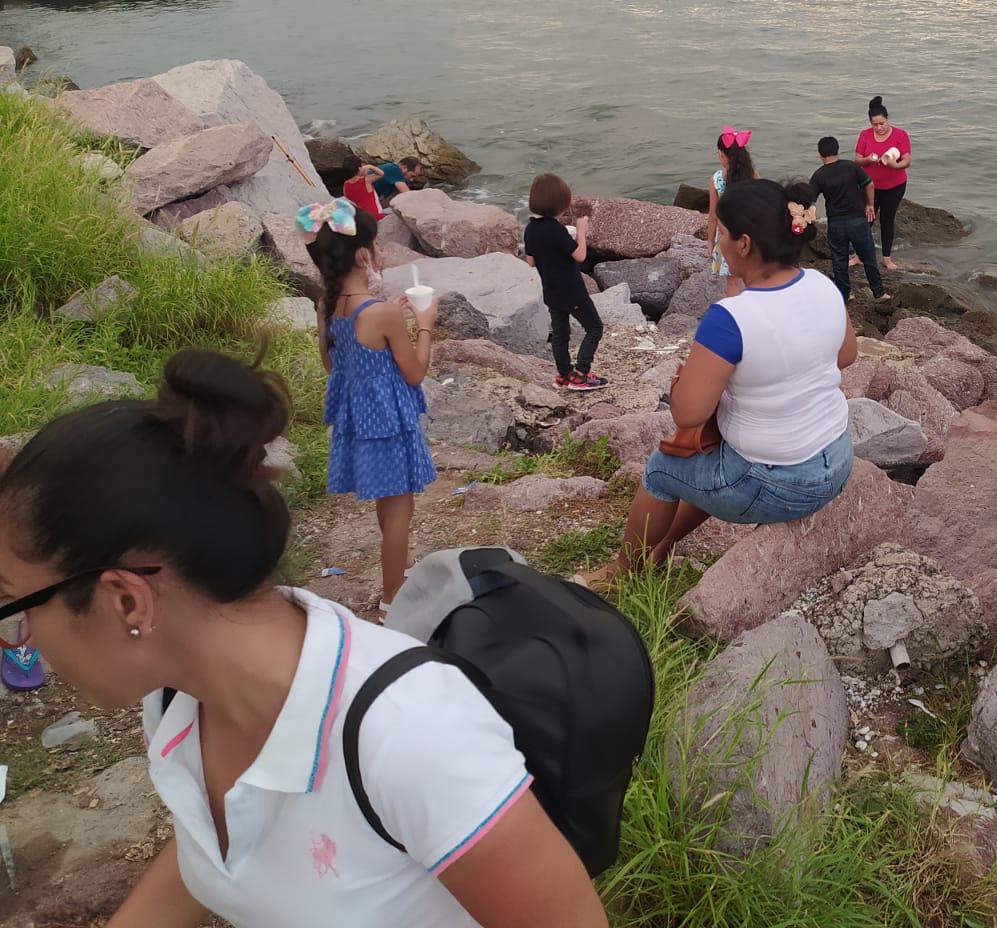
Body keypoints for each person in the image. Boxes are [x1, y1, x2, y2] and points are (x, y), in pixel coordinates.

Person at [0, 351, 608, 928]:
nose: (21, 634)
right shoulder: (176, 701)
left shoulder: (409, 736)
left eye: (17, 603)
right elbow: (215, 855)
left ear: (125, 599)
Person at [576, 180, 856, 588]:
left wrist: (686, 379)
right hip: (837, 457)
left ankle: (623, 570)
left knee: (662, 469)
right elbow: (846, 355)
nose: (716, 242)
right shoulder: (822, 284)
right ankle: (664, 543)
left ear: (743, 244)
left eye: (721, 233)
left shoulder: (731, 317)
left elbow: (688, 413)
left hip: (780, 484)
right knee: (713, 452)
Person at [305, 198, 437, 615]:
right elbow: (415, 372)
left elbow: (331, 363)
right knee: (400, 510)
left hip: (360, 421)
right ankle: (392, 599)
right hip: (388, 421)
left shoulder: (328, 305)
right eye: (377, 244)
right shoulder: (380, 314)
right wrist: (425, 324)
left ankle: (396, 577)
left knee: (389, 501)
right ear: (364, 254)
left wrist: (390, 315)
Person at [524, 173, 608, 393]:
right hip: (571, 291)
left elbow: (530, 261)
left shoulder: (531, 229)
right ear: (558, 204)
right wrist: (581, 232)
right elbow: (580, 256)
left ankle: (563, 375)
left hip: (551, 292)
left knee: (561, 334)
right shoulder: (556, 229)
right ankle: (580, 374)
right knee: (594, 328)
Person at [810, 136, 888, 303]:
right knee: (868, 257)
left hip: (836, 223)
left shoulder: (818, 175)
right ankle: (879, 293)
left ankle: (845, 295)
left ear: (820, 155)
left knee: (839, 260)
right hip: (857, 220)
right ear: (837, 150)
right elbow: (870, 184)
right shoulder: (851, 167)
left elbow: (810, 200)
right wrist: (869, 205)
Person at [854, 95, 911, 271]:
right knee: (865, 219)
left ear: (888, 120)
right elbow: (857, 160)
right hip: (870, 186)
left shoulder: (900, 135)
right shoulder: (865, 135)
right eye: (875, 124)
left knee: (887, 219)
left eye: (882, 124)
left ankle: (887, 258)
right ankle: (858, 256)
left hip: (894, 186)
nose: (878, 128)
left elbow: (906, 160)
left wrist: (895, 165)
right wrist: (868, 160)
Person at [707, 127, 757, 297]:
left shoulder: (717, 179)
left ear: (721, 155)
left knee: (732, 282)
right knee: (750, 278)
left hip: (726, 238)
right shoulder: (753, 175)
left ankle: (737, 317)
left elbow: (713, 217)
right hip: (749, 236)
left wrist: (710, 244)